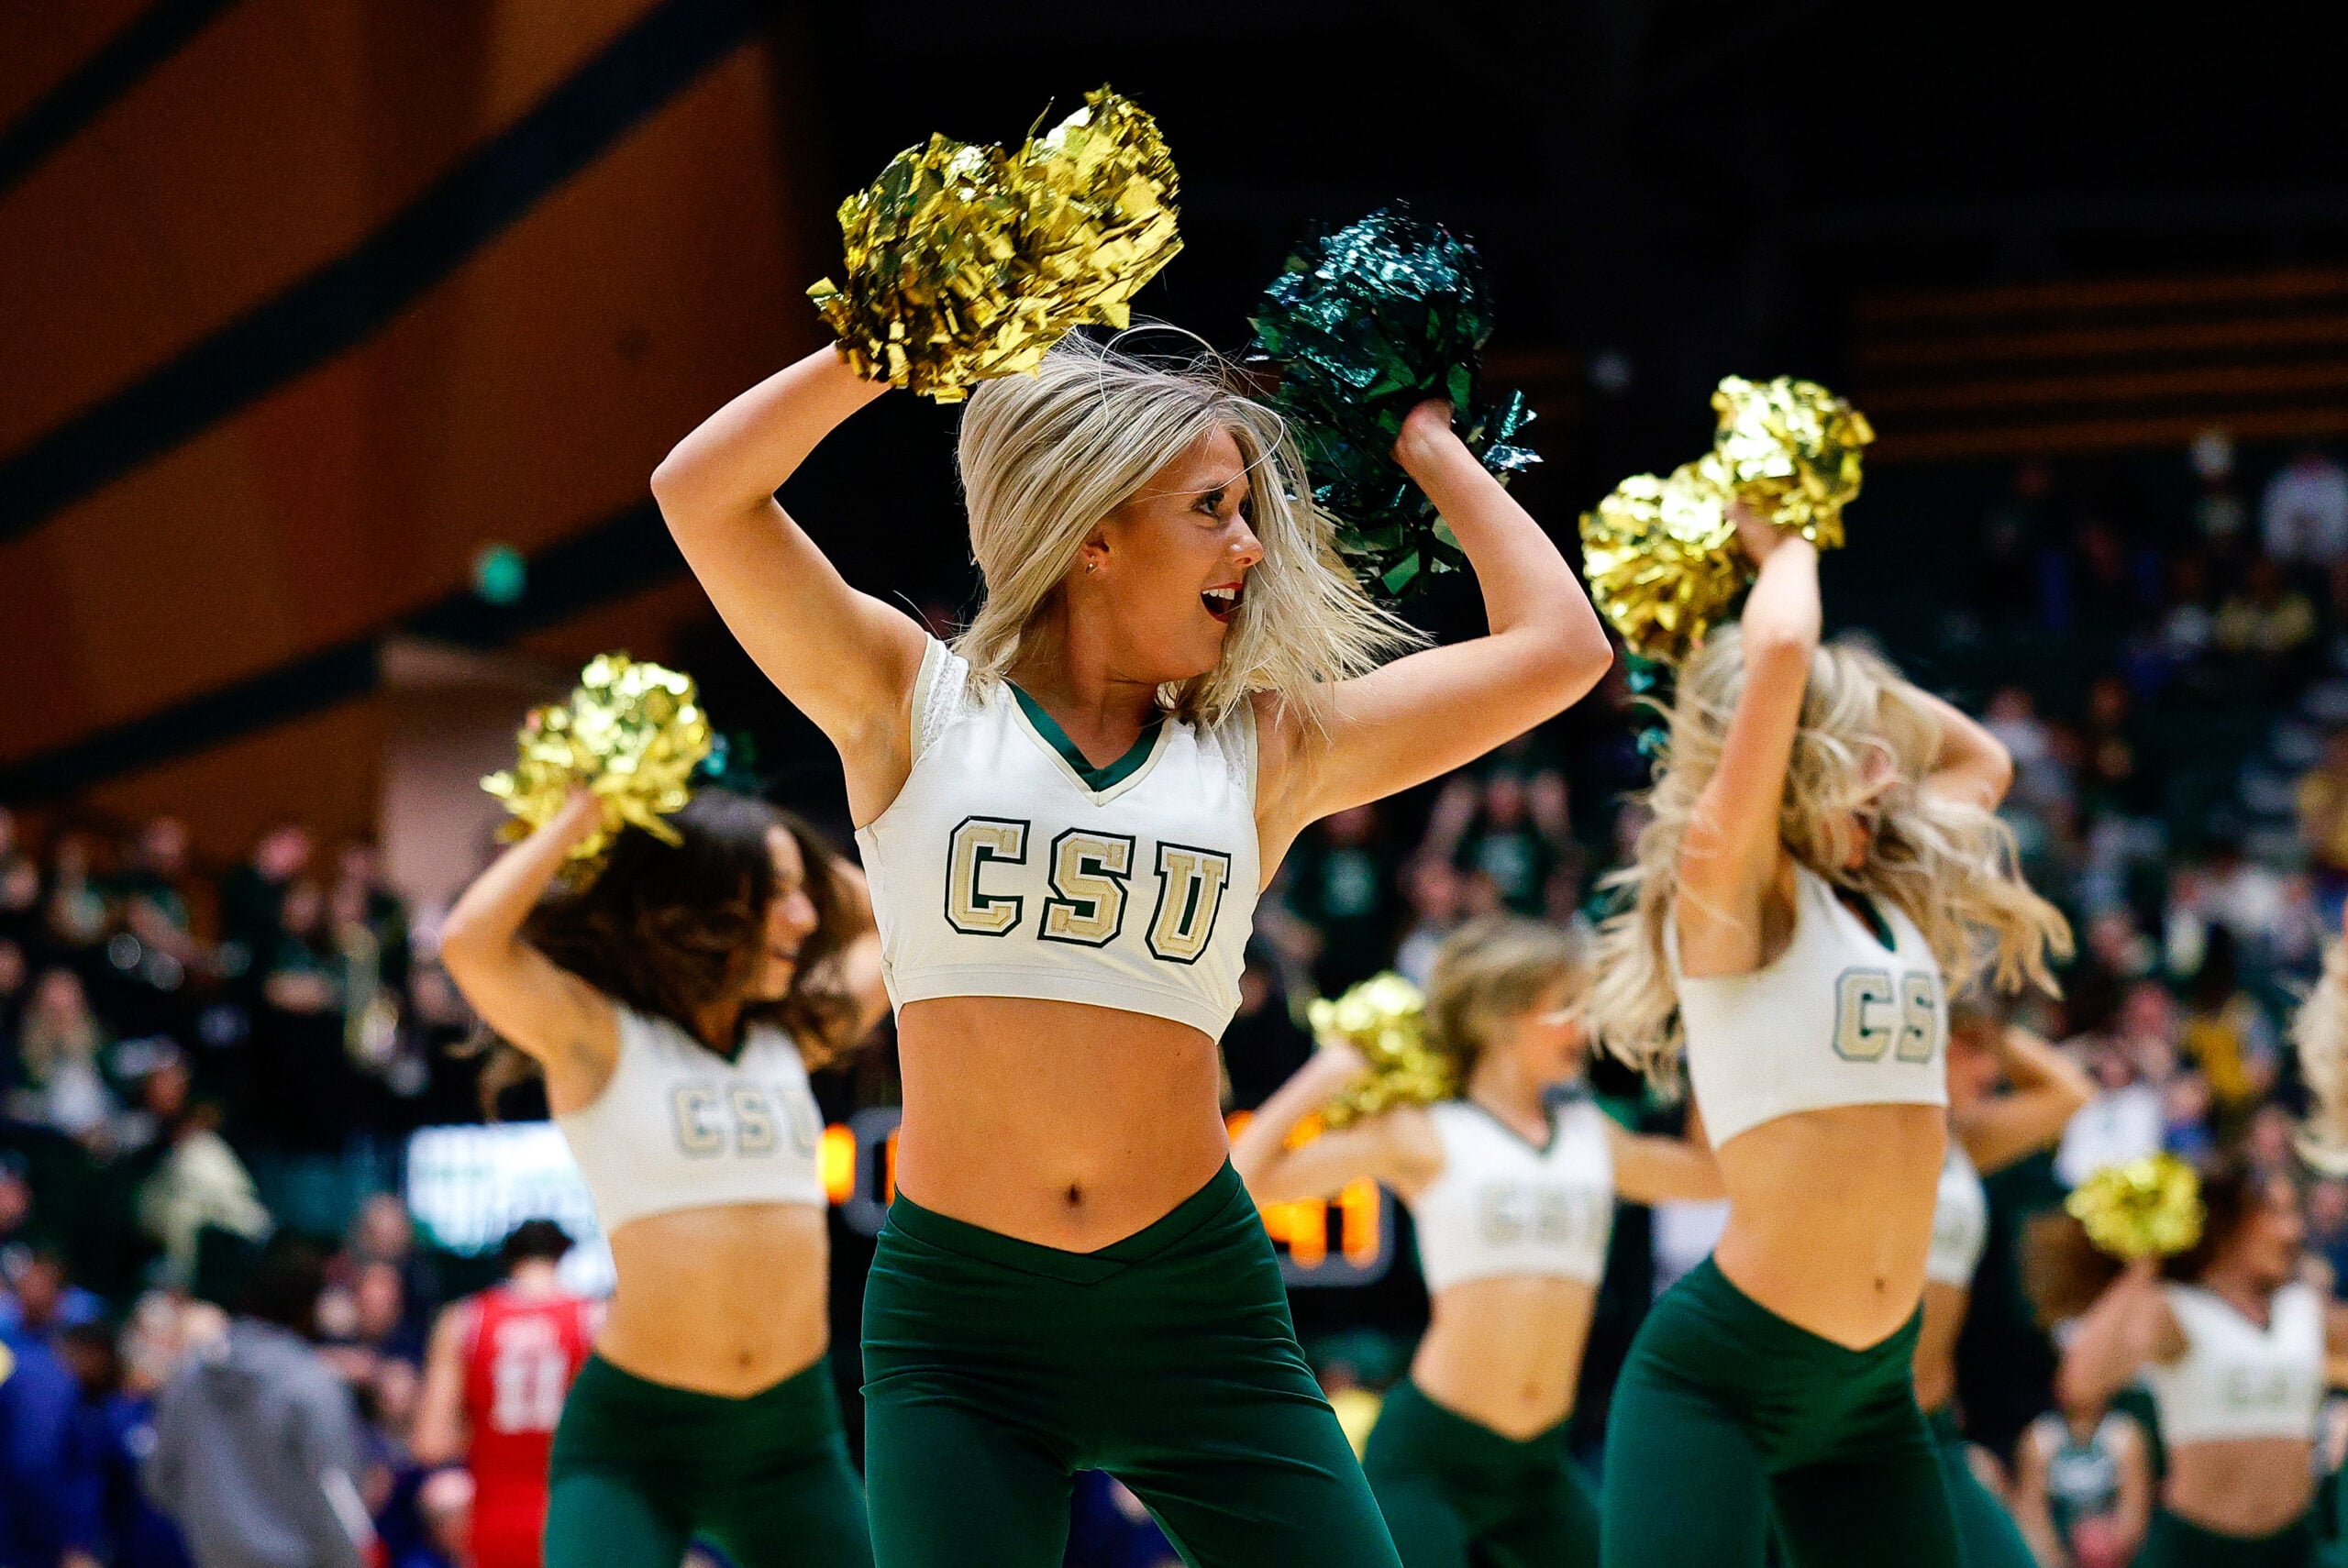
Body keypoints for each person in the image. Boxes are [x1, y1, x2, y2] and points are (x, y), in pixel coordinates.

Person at [652, 321, 1611, 1568]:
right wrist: (896, 341)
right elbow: (702, 493)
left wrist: (1424, 439)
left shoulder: (1264, 749)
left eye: (1247, 509)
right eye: (1212, 507)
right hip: (961, 1325)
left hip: (1195, 1305)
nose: (1249, 544)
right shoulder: (912, 699)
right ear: (1094, 532)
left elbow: (1562, 650)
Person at [1583, 502, 2070, 1568]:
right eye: (1860, 752)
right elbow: (1780, 649)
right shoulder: (1729, 887)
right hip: (1722, 1381)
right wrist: (1786, 540)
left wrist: (1854, 692)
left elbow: (1980, 759)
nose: (1890, 772)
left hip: (1869, 1394)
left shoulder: (1885, 897)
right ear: (1791, 755)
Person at [437, 786, 886, 1568]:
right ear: (709, 907)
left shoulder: (789, 1041)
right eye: (779, 895)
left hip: (791, 1441)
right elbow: (470, 944)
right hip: (636, 1446)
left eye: (804, 893)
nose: (806, 917)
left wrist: (767, 827)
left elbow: (893, 921)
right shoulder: (600, 1038)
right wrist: (582, 814)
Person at [1231, 915, 1720, 1567]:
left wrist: (1713, 1041)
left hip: (1538, 1465)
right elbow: (1249, 1182)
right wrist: (1326, 1075)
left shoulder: (1592, 1133)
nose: (1582, 1027)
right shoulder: (1424, 1132)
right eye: (1565, 1007)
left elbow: (1710, 1176)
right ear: (1502, 1018)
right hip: (1431, 1458)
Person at [2029, 1160, 2340, 1567]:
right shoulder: (2176, 1306)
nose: (2292, 1230)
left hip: (2294, 1547)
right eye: (2273, 1213)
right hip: (2196, 1549)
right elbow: (2080, 1381)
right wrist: (2147, 1261)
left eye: (2293, 1213)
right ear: (2226, 1223)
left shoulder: (2303, 1306)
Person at [1917, 1006, 2093, 1568]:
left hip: (1933, 1427)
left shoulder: (1966, 1141)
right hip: (1844, 1416)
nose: (1989, 1069)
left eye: (1989, 1053)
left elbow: (2071, 1093)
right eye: (1969, 1051)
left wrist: (1978, 1013)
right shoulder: (1869, 1133)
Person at [143, 1240, 376, 1568]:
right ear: (309, 1306)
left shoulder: (192, 1372)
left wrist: (216, 1526)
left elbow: (159, 1478)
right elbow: (338, 1495)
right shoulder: (312, 1382)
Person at [413, 1220, 599, 1568]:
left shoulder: (465, 1320)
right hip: (574, 1521)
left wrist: (484, 1428)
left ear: (507, 1260)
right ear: (562, 1257)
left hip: (495, 1520)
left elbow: (430, 1443)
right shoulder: (596, 1320)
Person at [2010, 1392, 2152, 1568]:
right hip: (2058, 1550)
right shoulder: (2040, 1437)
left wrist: (2111, 1547)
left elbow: (2134, 1512)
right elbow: (2031, 1513)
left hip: (2114, 1553)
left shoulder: (2124, 1433)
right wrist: (2057, 1560)